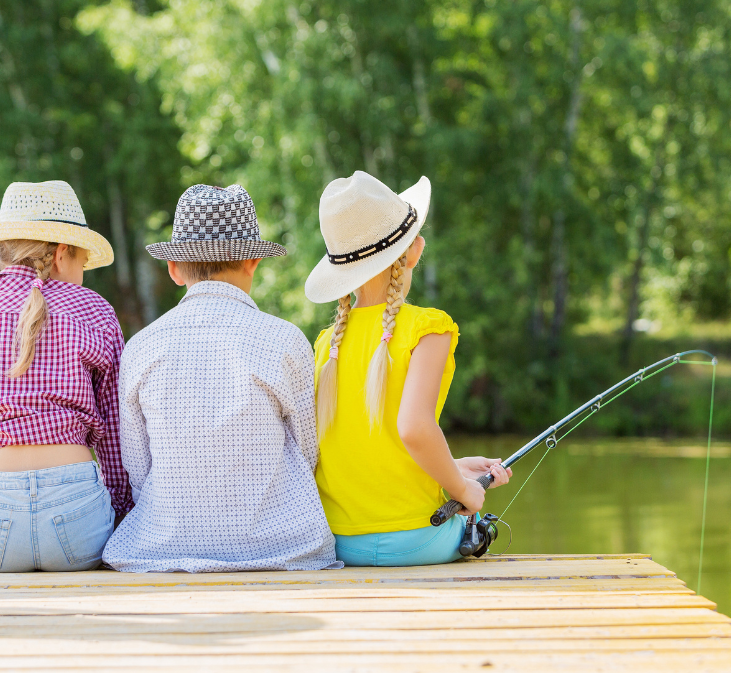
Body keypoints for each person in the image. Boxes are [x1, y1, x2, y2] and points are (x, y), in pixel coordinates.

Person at [102, 184, 339, 573]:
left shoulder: (142, 347)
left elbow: (138, 470)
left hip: (163, 548)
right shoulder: (284, 339)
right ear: (253, 263)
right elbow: (309, 453)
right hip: (280, 548)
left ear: (174, 269)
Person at [305, 171, 511, 567]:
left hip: (341, 543)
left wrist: (454, 467)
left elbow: (370, 447)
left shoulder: (326, 344)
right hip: (418, 541)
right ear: (414, 251)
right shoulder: (428, 329)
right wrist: (464, 492)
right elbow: (414, 429)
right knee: (479, 525)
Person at [0, 180, 133, 571]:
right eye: (81, 262)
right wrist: (121, 514)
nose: (83, 275)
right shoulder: (94, 310)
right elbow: (117, 432)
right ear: (61, 253)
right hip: (79, 526)